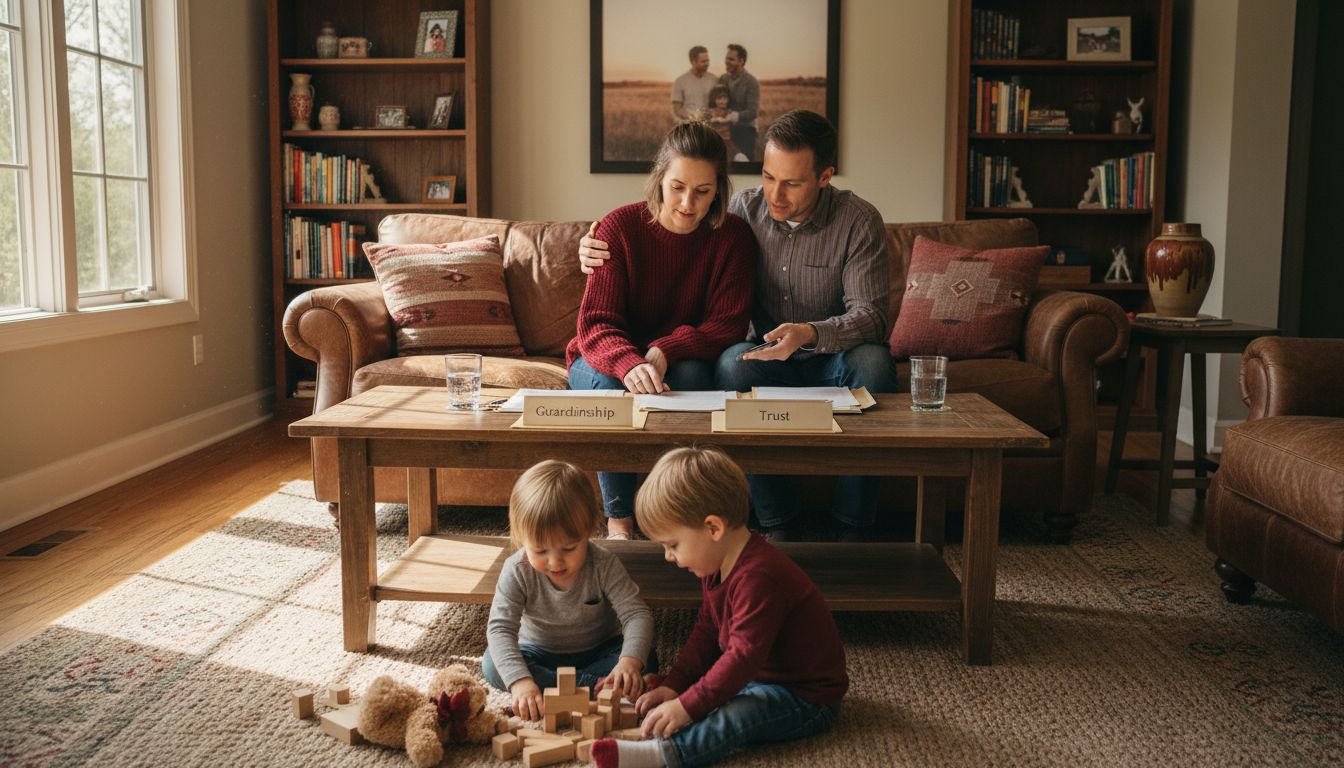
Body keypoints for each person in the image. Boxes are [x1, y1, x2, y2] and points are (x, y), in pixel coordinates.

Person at [580, 109, 897, 543]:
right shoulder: (742, 210)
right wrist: (591, 244)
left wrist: (809, 333)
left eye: (792, 183)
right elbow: (603, 309)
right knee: (730, 365)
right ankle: (775, 520)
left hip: (833, 356)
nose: (775, 195)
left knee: (875, 364)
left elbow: (872, 317)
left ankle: (853, 527)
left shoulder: (854, 221)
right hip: (759, 359)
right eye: (768, 177)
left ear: (825, 176)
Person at [587, 446, 846, 768]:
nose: (668, 556)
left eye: (673, 545)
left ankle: (665, 755)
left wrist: (687, 706)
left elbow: (742, 659)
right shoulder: (716, 565)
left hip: (805, 695)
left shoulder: (760, 577)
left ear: (713, 528)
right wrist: (676, 685)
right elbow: (707, 631)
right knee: (709, 691)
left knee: (736, 714)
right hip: (755, 676)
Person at [567, 120, 756, 541]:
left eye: (703, 191)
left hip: (679, 359)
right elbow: (596, 323)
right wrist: (629, 362)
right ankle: (619, 521)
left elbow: (728, 323)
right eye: (677, 187)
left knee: (692, 377)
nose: (688, 203)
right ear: (659, 178)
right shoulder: (618, 228)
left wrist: (666, 349)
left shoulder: (732, 237)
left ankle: (679, 512)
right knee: (613, 388)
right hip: (603, 358)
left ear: (719, 190)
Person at [482, 460, 658, 721]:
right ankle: (593, 687)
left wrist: (628, 663)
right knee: (493, 664)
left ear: (589, 531)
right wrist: (521, 683)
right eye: (540, 550)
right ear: (521, 538)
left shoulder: (604, 563)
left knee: (645, 657)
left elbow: (636, 615)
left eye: (569, 548)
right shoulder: (516, 569)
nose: (555, 562)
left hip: (599, 650)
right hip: (539, 653)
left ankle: (570, 690)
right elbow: (500, 629)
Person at [717, 44, 760, 161]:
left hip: (746, 130)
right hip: (725, 129)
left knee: (744, 165)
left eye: (731, 59)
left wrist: (733, 116)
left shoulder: (751, 82)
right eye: (726, 58)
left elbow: (753, 112)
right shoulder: (723, 79)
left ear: (741, 61)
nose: (727, 62)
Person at [670, 46, 718, 122]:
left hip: (709, 125)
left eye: (708, 61)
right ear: (693, 62)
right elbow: (676, 110)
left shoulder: (714, 79)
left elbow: (719, 105)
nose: (707, 64)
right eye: (703, 62)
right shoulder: (680, 81)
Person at [705, 84, 746, 163]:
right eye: (719, 98)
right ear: (714, 99)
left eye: (725, 98)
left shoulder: (729, 112)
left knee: (738, 157)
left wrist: (723, 119)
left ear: (728, 99)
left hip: (727, 142)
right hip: (713, 142)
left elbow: (731, 119)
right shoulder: (710, 112)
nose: (722, 101)